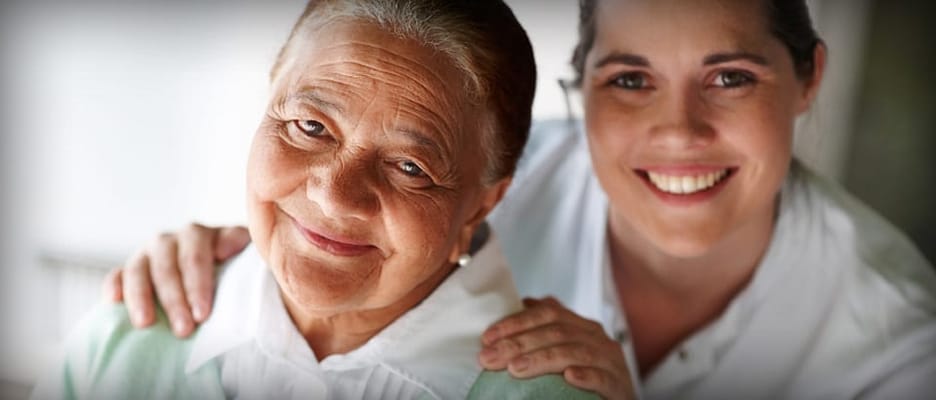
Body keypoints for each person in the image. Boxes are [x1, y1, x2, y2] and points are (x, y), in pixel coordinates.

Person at [107, 0, 936, 398]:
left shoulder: (897, 342)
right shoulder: (488, 156)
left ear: (807, 81)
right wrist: (248, 255)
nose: (678, 131)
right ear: (583, 92)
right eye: (630, 79)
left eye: (730, 77)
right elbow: (332, 179)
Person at [32, 0, 607, 399]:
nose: (335, 196)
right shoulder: (126, 334)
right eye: (309, 126)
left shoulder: (554, 392)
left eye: (410, 167)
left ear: (482, 204)